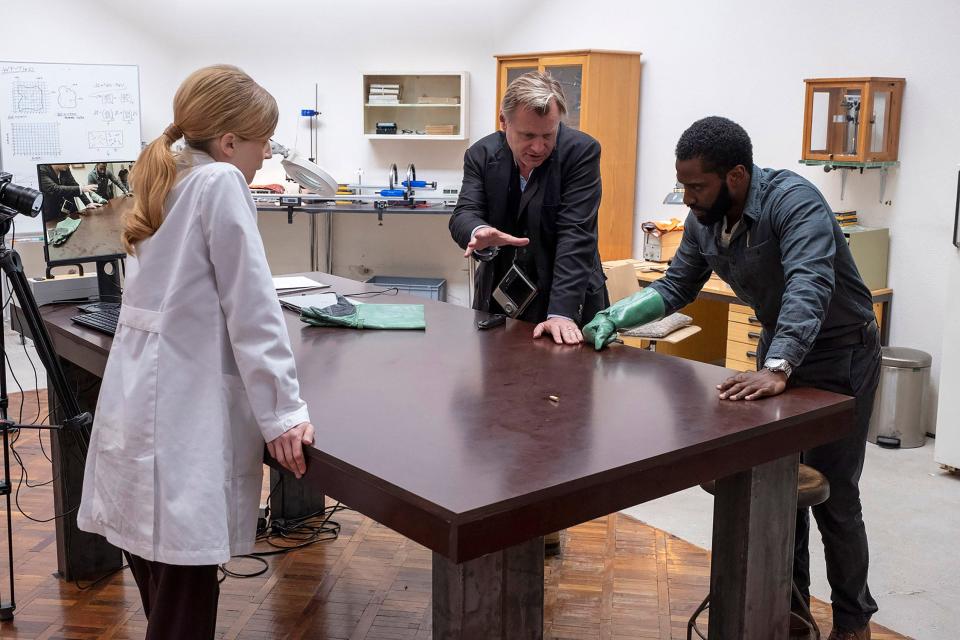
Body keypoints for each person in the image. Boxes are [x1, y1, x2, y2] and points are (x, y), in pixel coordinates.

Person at [584, 116, 880, 640]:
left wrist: (777, 367)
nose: (689, 198)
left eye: (698, 186)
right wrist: (615, 316)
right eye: (684, 185)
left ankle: (853, 622)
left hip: (841, 354)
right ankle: (787, 611)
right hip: (779, 350)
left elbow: (808, 285)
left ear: (737, 176)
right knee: (774, 488)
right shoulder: (703, 220)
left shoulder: (796, 203)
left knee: (834, 497)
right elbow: (677, 285)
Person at [77, 65, 315, 640]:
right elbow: (252, 308)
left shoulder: (169, 173)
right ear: (231, 142)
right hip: (180, 412)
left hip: (139, 401)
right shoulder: (220, 182)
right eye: (264, 144)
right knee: (183, 594)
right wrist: (284, 412)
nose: (264, 158)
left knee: (161, 581)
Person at [449, 71, 608, 345]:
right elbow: (464, 213)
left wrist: (561, 313)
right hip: (501, 297)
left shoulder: (580, 153)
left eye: (548, 134)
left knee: (570, 384)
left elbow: (576, 235)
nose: (538, 147)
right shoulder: (481, 155)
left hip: (568, 300)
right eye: (527, 135)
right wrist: (479, 230)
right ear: (503, 122)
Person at [37, 163, 101, 224]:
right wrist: (81, 188)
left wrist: (87, 203)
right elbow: (54, 189)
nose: (69, 164)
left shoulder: (65, 169)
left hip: (69, 211)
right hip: (52, 214)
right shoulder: (41, 169)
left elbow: (74, 184)